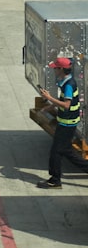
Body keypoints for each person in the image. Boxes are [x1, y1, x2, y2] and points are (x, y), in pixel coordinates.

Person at [36, 56, 88, 188]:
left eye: (56, 68)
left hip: (67, 123)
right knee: (60, 151)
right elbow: (62, 100)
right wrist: (50, 106)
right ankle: (55, 179)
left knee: (60, 151)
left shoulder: (69, 85)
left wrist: (49, 98)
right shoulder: (65, 81)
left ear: (61, 69)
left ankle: (55, 180)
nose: (54, 70)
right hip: (65, 122)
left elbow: (66, 105)